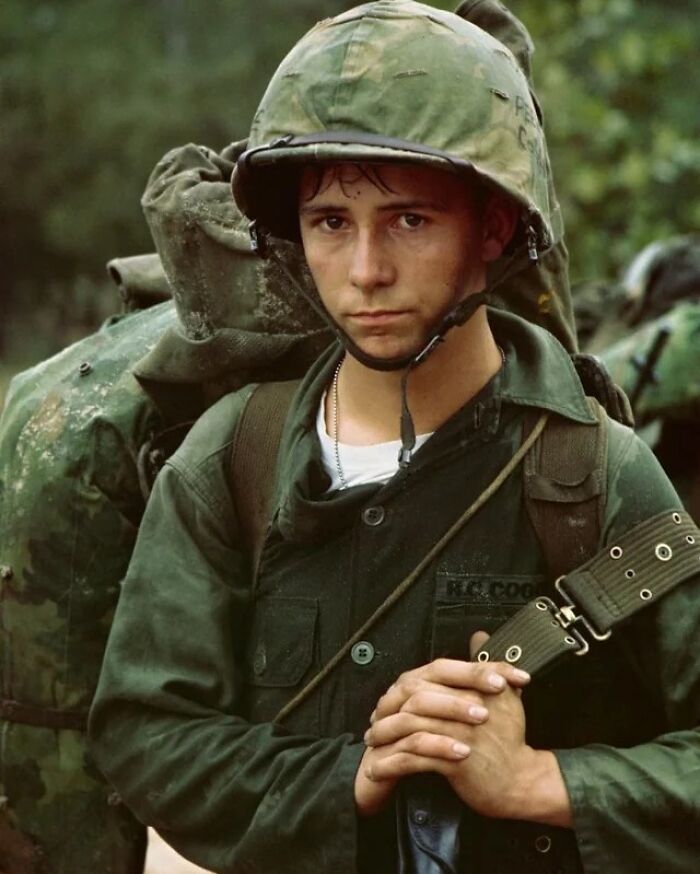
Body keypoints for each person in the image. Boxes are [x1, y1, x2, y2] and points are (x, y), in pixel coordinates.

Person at [88, 3, 700, 873]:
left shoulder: (590, 471)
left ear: (493, 227)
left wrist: (538, 782)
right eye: (331, 223)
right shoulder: (235, 458)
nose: (366, 271)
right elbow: (147, 732)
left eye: (409, 220)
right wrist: (352, 777)